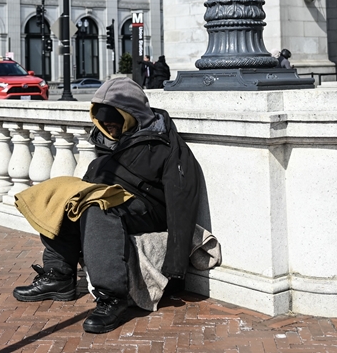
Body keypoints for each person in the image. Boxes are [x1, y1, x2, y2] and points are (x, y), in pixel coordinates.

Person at [12, 79, 202, 334]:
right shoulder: (107, 140)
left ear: (131, 115)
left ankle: (112, 297)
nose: (109, 129)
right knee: (58, 193)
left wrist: (175, 267)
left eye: (114, 122)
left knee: (97, 206)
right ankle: (58, 276)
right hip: (111, 196)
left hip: (148, 209)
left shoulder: (166, 145)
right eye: (104, 123)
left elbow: (182, 201)